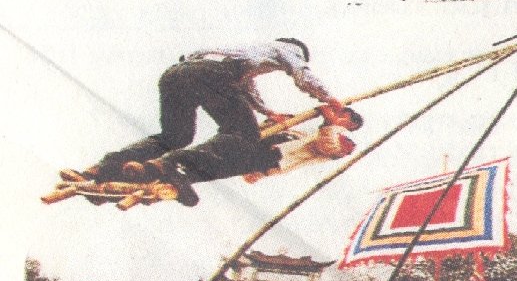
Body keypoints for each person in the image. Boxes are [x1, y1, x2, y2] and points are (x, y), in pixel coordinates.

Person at [68, 39, 348, 206]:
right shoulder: (287, 49)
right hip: (210, 74)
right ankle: (172, 164)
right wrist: (330, 98)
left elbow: (247, 87)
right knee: (243, 134)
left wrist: (267, 111)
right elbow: (302, 75)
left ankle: (104, 167)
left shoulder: (246, 53)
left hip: (176, 74)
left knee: (175, 136)